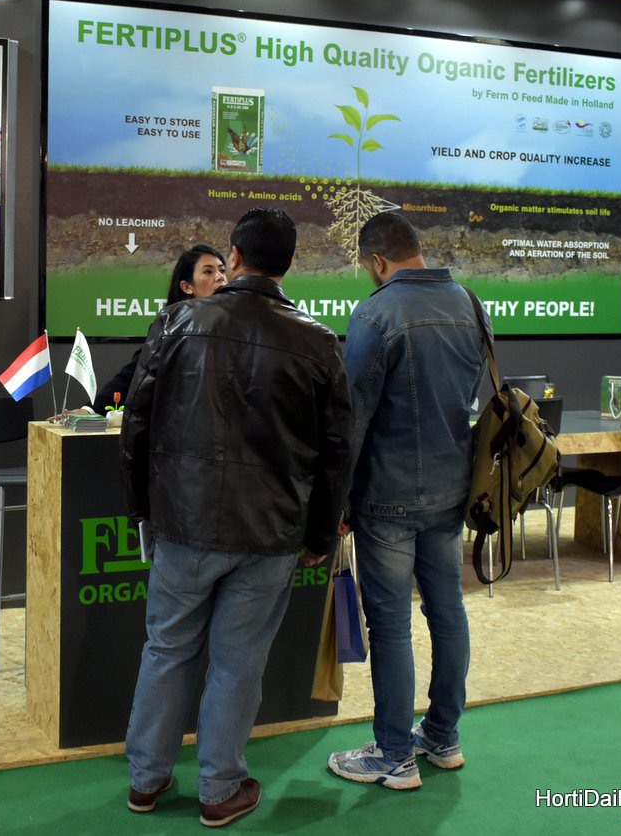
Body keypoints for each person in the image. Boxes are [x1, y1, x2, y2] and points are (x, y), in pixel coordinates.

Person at [120, 208, 353, 827]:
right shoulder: (318, 341)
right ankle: (219, 788)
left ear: (236, 256)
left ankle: (146, 780)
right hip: (270, 532)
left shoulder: (178, 322)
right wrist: (320, 534)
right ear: (289, 263)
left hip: (184, 523)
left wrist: (143, 509)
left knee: (167, 649)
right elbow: (337, 451)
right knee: (238, 662)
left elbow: (136, 423)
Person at [327, 211, 488, 790]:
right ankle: (443, 738)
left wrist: (337, 501)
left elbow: (352, 420)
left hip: (387, 497)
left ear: (376, 261)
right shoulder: (469, 303)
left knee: (391, 625)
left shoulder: (376, 313)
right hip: (452, 491)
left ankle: (394, 755)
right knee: (448, 612)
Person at [92, 245, 227, 413]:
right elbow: (136, 374)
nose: (220, 277)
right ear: (187, 287)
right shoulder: (171, 327)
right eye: (208, 271)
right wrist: (90, 410)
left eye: (222, 270)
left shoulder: (240, 323)